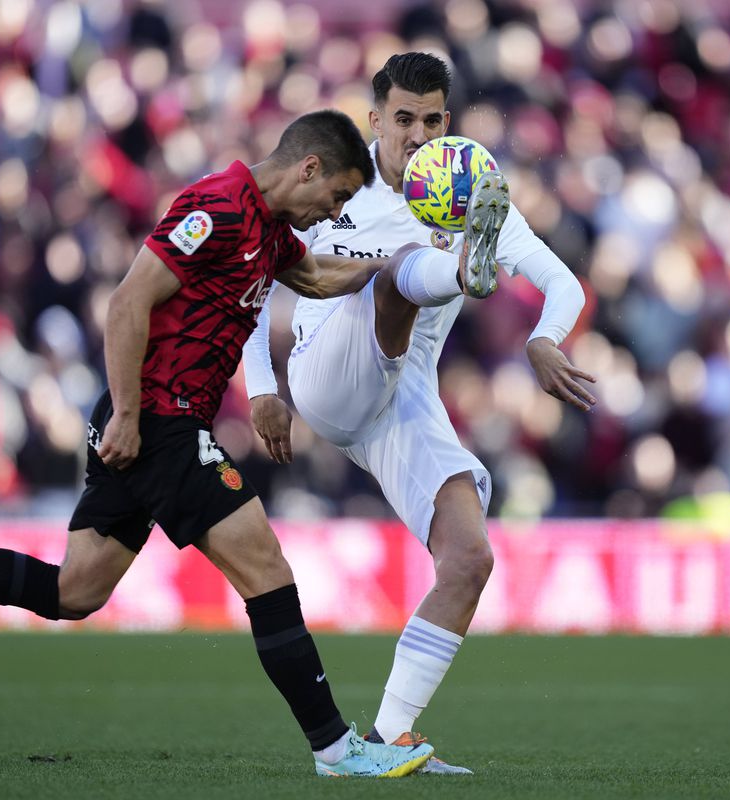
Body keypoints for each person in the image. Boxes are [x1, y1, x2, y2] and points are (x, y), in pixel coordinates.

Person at [0, 109, 438, 778]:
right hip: (156, 420)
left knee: (76, 591)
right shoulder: (217, 205)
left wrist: (406, 266)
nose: (331, 212)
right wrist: (126, 413)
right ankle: (335, 749)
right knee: (265, 565)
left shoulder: (271, 231)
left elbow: (319, 276)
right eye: (338, 195)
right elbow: (127, 302)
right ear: (308, 168)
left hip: (158, 423)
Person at [242, 53, 597, 774]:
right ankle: (463, 270)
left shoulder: (471, 186)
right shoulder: (339, 180)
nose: (418, 134)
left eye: (432, 119)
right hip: (326, 371)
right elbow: (252, 275)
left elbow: (563, 285)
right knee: (392, 275)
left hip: (401, 396)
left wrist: (543, 336)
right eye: (403, 120)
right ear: (376, 121)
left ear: (448, 120)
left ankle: (390, 735)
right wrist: (259, 388)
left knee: (469, 557)